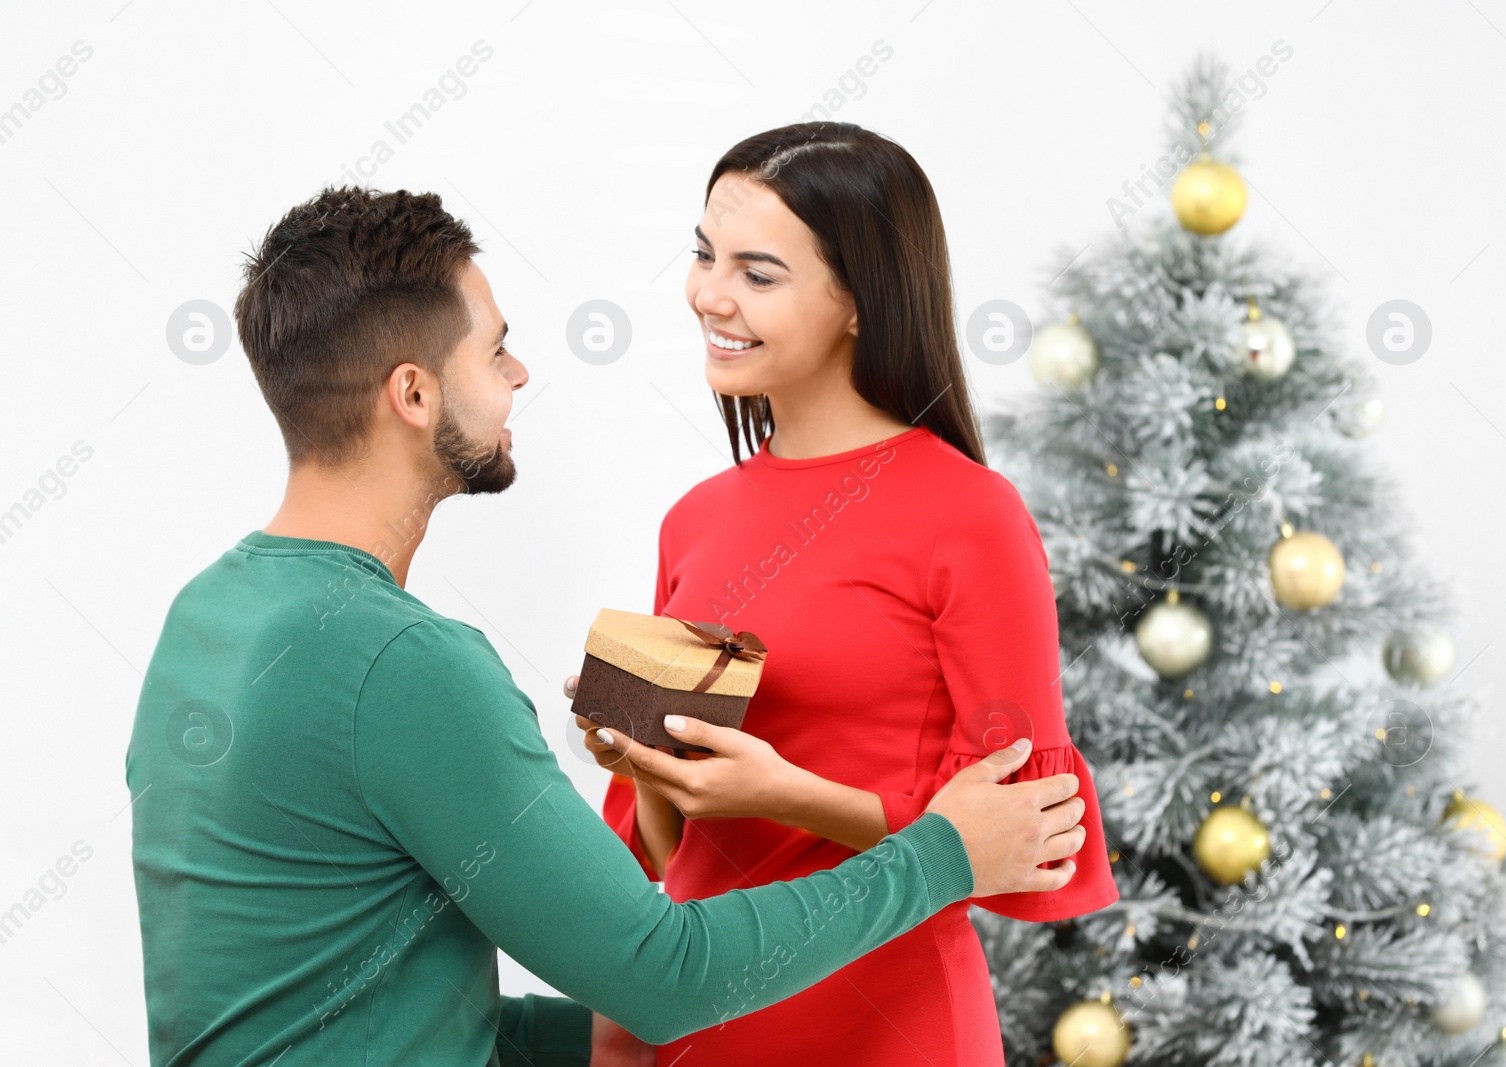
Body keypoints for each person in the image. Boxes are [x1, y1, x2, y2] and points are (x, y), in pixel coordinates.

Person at [123, 185, 1091, 1066]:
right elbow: (664, 975)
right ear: (413, 395)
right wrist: (944, 849)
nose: (521, 372)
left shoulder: (207, 613)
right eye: (495, 349)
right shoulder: (403, 662)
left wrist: (587, 1034)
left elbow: (316, 1002)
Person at [585, 122, 1121, 1066]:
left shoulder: (971, 516)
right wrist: (650, 770)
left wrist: (790, 794)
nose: (710, 294)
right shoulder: (693, 520)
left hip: (894, 1024)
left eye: (759, 273)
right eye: (706, 256)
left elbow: (1026, 839)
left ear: (860, 304)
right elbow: (659, 852)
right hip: (705, 1023)